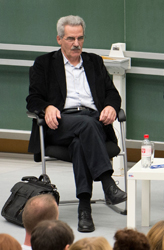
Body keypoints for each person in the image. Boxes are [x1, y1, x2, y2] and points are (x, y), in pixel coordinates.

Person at [26, 15, 126, 233]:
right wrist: (47, 108)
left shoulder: (94, 61)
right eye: (71, 38)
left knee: (81, 143)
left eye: (80, 38)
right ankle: (108, 183)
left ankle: (84, 210)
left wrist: (110, 106)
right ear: (59, 39)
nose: (76, 44)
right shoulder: (44, 63)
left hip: (92, 123)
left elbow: (112, 93)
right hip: (60, 123)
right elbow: (33, 99)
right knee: (86, 125)